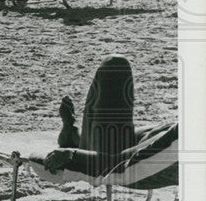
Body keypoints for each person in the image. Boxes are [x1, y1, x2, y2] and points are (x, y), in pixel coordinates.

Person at [36, 55, 178, 180]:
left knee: (115, 65)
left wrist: (72, 155)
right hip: (150, 138)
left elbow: (117, 162)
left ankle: (76, 137)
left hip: (135, 149)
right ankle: (76, 136)